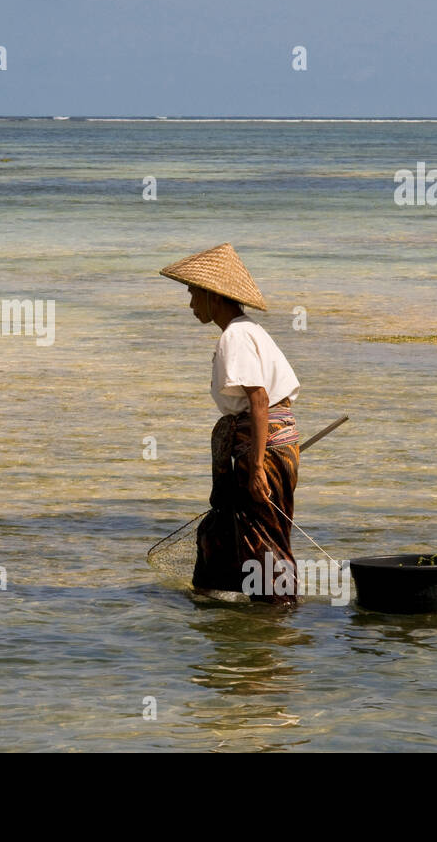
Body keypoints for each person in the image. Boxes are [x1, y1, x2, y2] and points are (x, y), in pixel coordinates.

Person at [159, 243, 302, 604]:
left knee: (262, 537)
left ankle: (279, 616)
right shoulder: (245, 331)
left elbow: (259, 400)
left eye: (194, 295)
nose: (191, 304)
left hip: (263, 447)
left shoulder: (235, 335)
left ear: (213, 296)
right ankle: (223, 607)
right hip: (270, 442)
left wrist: (255, 468)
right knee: (226, 528)